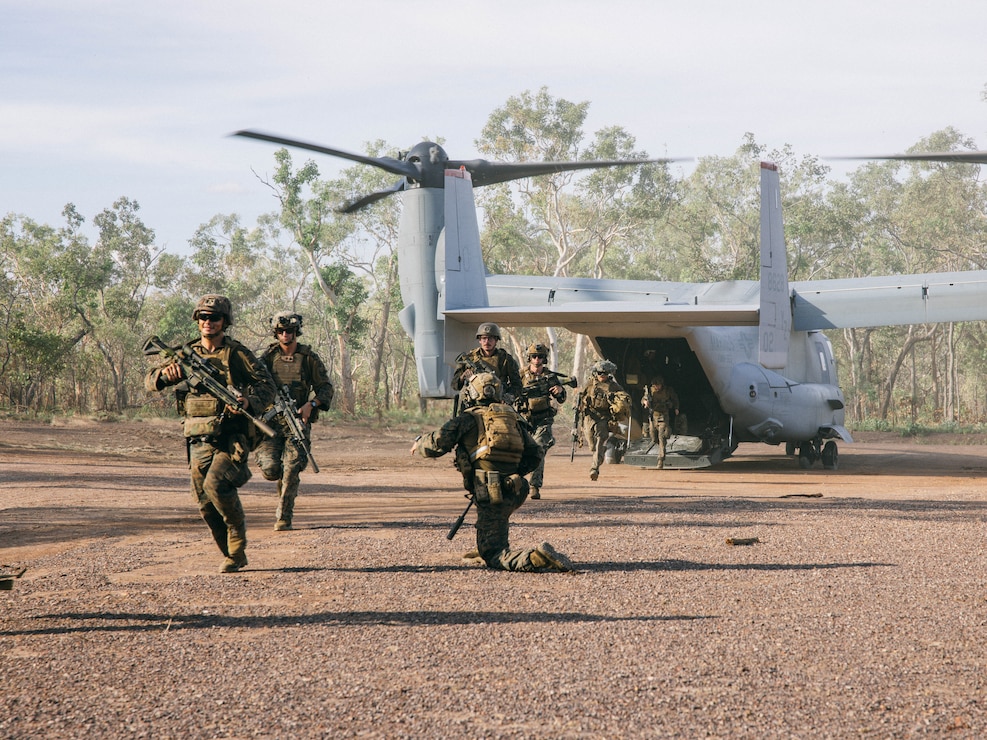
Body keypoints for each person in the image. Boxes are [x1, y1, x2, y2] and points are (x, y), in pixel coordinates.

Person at [145, 295, 276, 573]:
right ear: (197, 320)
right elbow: (151, 382)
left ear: (224, 322)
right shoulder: (184, 355)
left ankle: (237, 543)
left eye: (214, 318)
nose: (208, 322)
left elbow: (267, 385)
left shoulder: (237, 353)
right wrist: (166, 376)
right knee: (204, 503)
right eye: (203, 317)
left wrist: (248, 402)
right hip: (197, 436)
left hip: (231, 436)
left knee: (217, 485)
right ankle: (231, 554)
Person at [411, 372, 575, 573]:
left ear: (472, 393)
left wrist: (419, 443)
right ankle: (488, 541)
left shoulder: (468, 418)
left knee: (494, 554)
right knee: (494, 524)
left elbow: (436, 444)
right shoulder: (513, 417)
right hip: (516, 488)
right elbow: (535, 454)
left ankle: (536, 557)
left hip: (490, 490)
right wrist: (512, 473)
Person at [254, 311, 335, 531]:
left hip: (296, 422)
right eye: (281, 331)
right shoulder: (267, 358)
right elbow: (254, 384)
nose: (285, 335)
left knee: (291, 468)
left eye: (289, 331)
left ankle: (284, 516)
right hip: (270, 425)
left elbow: (326, 388)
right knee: (271, 470)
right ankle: (281, 486)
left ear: (296, 332)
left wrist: (312, 404)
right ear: (276, 333)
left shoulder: (308, 358)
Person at [516, 342, 569, 499]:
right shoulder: (520, 375)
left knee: (538, 450)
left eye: (540, 357)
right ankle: (516, 483)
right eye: (534, 356)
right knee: (519, 451)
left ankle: (534, 485)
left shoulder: (550, 377)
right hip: (523, 419)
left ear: (544, 359)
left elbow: (561, 398)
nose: (537, 359)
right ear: (529, 358)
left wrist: (560, 391)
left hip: (543, 419)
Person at [577, 360, 628, 481]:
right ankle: (600, 453)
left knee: (600, 440)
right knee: (592, 446)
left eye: (604, 373)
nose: (602, 375)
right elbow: (580, 396)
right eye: (600, 373)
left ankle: (594, 468)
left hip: (603, 418)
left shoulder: (613, 386)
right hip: (590, 417)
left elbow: (624, 397)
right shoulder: (590, 383)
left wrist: (616, 400)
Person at [452, 322, 522, 405]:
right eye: (484, 338)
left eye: (490, 339)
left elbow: (517, 385)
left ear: (496, 340)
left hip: (498, 404)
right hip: (473, 404)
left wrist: (508, 397)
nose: (487, 342)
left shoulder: (505, 359)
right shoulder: (469, 359)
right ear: (480, 340)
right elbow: (455, 385)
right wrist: (462, 377)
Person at [642, 376, 680, 469]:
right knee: (654, 437)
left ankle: (661, 459)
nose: (656, 387)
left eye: (658, 385)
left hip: (663, 415)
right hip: (653, 416)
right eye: (655, 386)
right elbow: (643, 399)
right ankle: (668, 431)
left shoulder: (667, 390)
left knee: (661, 436)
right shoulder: (650, 391)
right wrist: (645, 402)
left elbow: (675, 398)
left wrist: (676, 408)